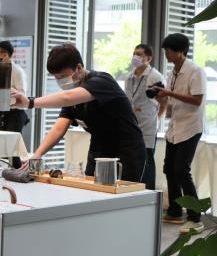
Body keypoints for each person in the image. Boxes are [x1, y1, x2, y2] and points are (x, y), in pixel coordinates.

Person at [12, 43, 146, 183]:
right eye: (57, 78)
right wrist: (37, 155)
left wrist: (30, 102)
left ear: (79, 67)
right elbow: (59, 128)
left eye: (64, 76)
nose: (61, 81)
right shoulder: (73, 96)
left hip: (126, 149)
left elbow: (67, 97)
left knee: (124, 191)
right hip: (98, 149)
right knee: (92, 190)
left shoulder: (102, 81)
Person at [153, 33, 207, 234]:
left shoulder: (195, 71)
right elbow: (172, 101)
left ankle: (195, 218)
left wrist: (169, 93)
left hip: (191, 127)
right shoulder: (172, 73)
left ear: (181, 50)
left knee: (182, 170)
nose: (166, 53)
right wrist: (161, 97)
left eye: (169, 50)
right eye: (165, 50)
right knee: (169, 169)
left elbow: (197, 100)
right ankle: (175, 211)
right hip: (174, 127)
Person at [125, 44, 165, 190]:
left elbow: (164, 101)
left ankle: (149, 193)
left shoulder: (155, 76)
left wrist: (158, 118)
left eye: (139, 54)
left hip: (148, 124)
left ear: (148, 58)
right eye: (134, 53)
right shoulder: (129, 77)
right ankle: (134, 191)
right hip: (132, 124)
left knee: (147, 161)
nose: (135, 57)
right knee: (132, 160)